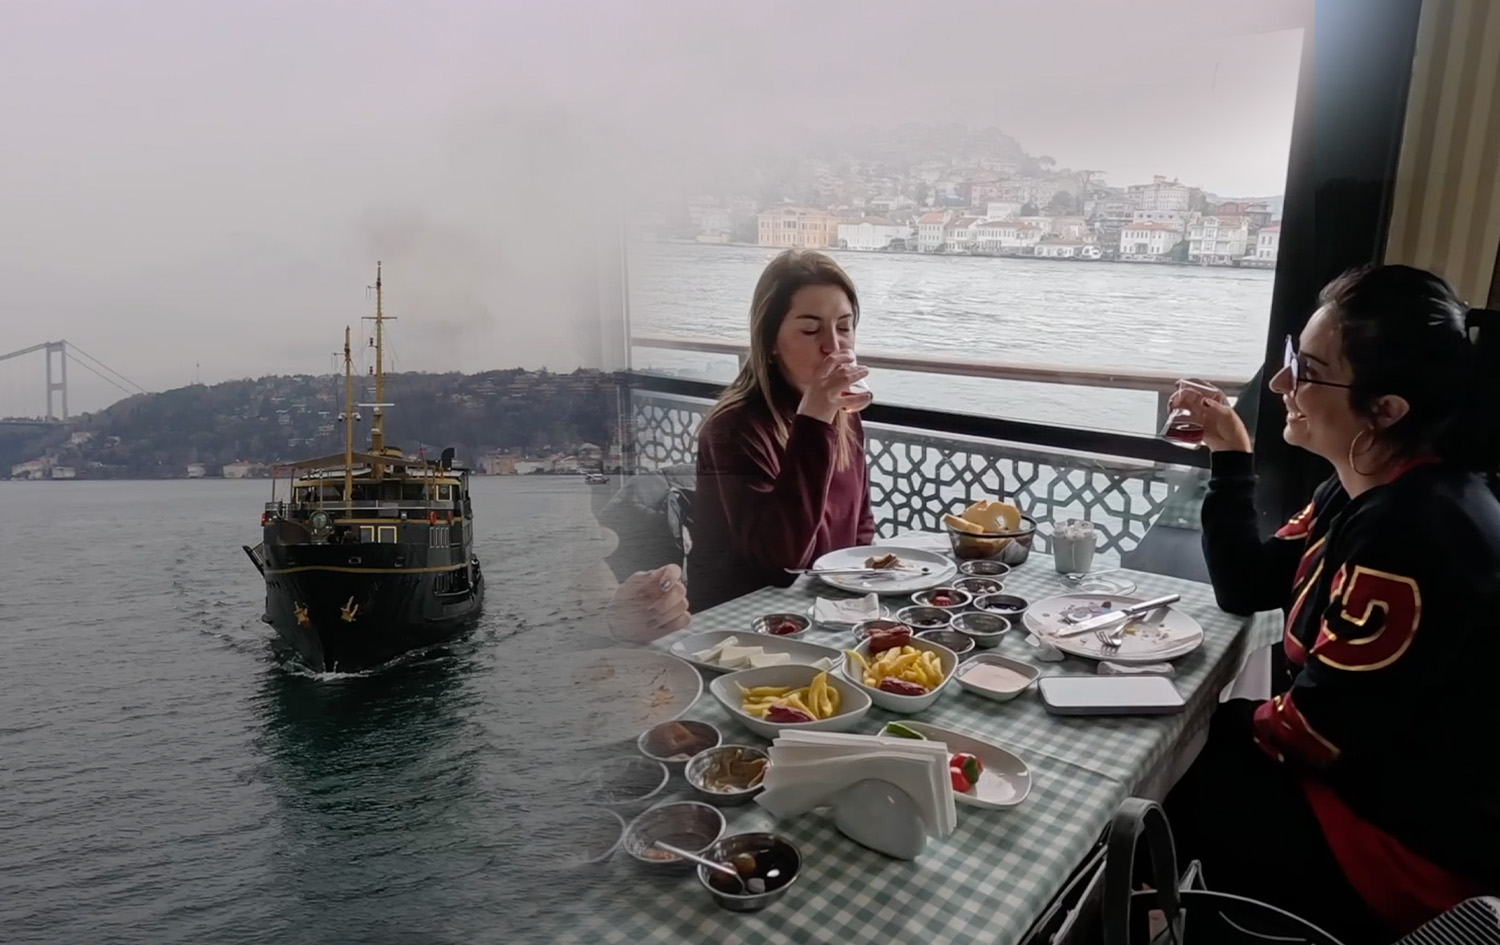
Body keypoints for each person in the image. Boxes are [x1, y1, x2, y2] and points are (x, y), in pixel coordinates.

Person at [1162, 264, 1500, 941]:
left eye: (1307, 372)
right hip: (1364, 782)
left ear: (1386, 409)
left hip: (1408, 850)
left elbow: (1312, 732)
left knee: (1175, 782)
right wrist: (1231, 451)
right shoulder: (1360, 487)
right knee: (1189, 749)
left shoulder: (1414, 530)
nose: (1281, 383)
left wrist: (1187, 726)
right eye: (1293, 357)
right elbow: (1247, 583)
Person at [686, 249, 877, 612]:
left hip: (824, 608)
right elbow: (781, 561)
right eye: (810, 330)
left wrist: (858, 596)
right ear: (771, 340)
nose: (833, 345)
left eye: (844, 326)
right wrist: (815, 421)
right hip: (740, 617)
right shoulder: (732, 428)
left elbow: (860, 525)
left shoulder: (843, 413)